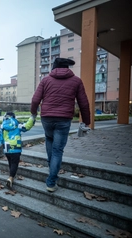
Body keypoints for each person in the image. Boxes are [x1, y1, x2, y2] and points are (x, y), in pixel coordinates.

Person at [30, 57, 90, 192]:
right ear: (67, 68)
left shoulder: (45, 80)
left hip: (47, 118)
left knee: (50, 142)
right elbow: (84, 103)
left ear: (54, 67)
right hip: (63, 119)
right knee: (57, 151)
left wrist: (33, 113)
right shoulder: (76, 81)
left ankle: (52, 171)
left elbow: (35, 100)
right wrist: (86, 121)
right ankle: (51, 182)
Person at [0, 112, 35, 189]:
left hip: (7, 148)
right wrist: (32, 117)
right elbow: (27, 126)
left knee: (10, 162)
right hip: (16, 147)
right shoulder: (17, 124)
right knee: (15, 163)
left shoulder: (2, 126)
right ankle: (11, 177)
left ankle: (11, 175)